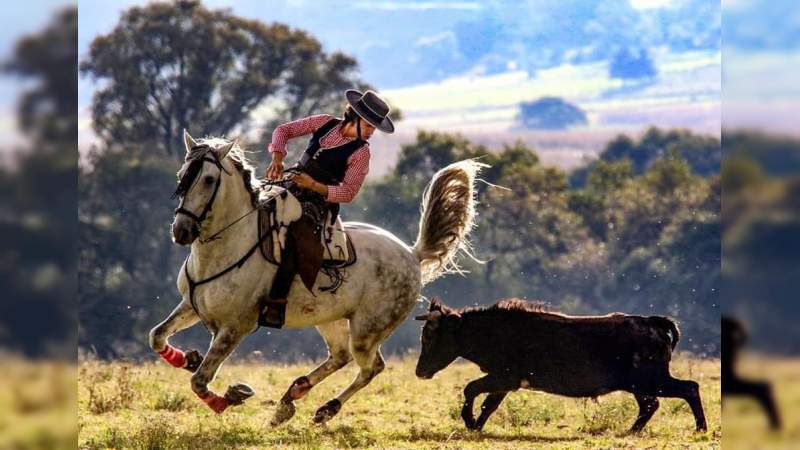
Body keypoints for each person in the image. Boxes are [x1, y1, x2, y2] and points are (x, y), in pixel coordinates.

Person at [260, 89, 395, 328]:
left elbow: (349, 192)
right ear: (355, 116)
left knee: (295, 236)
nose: (373, 131)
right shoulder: (325, 122)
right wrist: (277, 159)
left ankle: (276, 303)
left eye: (374, 127)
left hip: (318, 203)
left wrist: (314, 185)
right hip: (288, 183)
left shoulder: (361, 152)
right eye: (371, 125)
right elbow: (283, 131)